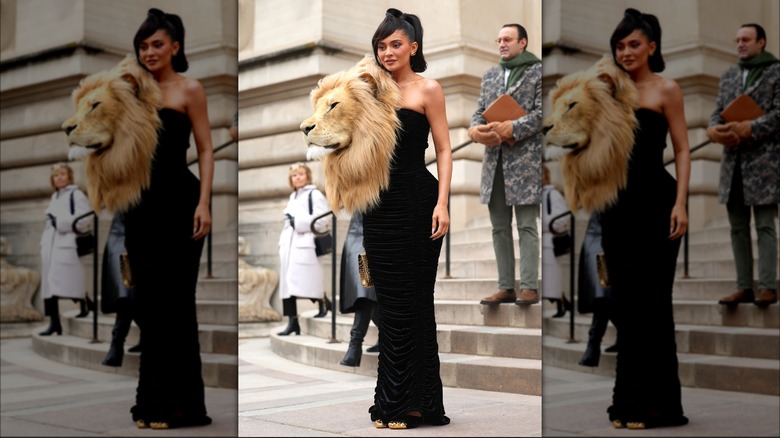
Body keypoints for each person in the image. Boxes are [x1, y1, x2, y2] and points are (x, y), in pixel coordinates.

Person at [122, 8, 215, 429]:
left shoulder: (190, 89)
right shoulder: (132, 91)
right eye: (142, 46)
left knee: (177, 304)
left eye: (156, 43)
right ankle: (150, 403)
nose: (149, 52)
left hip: (181, 201)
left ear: (175, 46)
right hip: (140, 206)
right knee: (147, 303)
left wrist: (205, 203)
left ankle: (181, 407)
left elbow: (207, 149)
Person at [600, 8, 691, 429]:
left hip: (658, 202)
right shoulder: (611, 91)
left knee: (654, 304)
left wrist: (682, 203)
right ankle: (628, 404)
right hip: (617, 207)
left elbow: (684, 149)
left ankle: (659, 407)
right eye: (620, 46)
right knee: (624, 304)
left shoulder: (667, 90)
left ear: (652, 46)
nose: (626, 51)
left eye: (633, 43)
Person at [362, 8, 452, 429]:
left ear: (413, 47)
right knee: (390, 304)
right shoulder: (371, 92)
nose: (387, 52)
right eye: (381, 46)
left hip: (418, 201)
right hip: (378, 207)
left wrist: (444, 203)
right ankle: (394, 401)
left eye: (395, 43)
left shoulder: (428, 89)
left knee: (416, 302)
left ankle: (416, 404)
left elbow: (446, 149)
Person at [469, 23, 542, 307]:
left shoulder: (539, 72)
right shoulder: (489, 75)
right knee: (499, 227)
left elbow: (542, 113)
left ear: (522, 42)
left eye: (507, 39)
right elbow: (478, 112)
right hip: (494, 162)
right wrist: (475, 130)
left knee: (526, 225)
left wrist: (513, 126)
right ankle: (505, 286)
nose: (501, 44)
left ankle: (528, 287)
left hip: (525, 162)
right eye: (498, 39)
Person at [707, 23, 778, 307]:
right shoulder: (728, 76)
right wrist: (713, 129)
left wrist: (752, 126)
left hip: (765, 164)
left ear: (761, 42)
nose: (740, 44)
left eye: (746, 39)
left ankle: (768, 286)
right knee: (737, 228)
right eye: (737, 39)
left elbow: (779, 114)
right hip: (732, 164)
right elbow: (716, 112)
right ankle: (744, 287)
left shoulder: (777, 72)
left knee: (764, 226)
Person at [276, 162, 332, 336]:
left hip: (306, 245)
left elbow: (323, 218)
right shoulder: (293, 197)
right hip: (289, 246)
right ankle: (293, 322)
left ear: (307, 175)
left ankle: (324, 301)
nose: (297, 177)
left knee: (306, 282)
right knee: (287, 286)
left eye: (301, 174)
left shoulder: (314, 194)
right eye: (294, 175)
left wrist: (298, 223)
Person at [38, 163, 93, 336]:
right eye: (56, 175)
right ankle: (54, 323)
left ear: (69, 176)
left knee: (67, 282)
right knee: (50, 286)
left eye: (62, 174)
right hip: (50, 246)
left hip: (67, 245)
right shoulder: (55, 196)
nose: (59, 177)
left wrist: (61, 223)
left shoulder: (75, 194)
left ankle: (87, 304)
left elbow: (86, 217)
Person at [100, 211, 142, 367]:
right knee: (126, 292)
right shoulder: (122, 189)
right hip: (122, 243)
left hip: (142, 237)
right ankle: (116, 344)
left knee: (131, 294)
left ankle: (118, 344)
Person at [339, 211, 381, 367]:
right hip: (358, 234)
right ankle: (355, 344)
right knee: (365, 288)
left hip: (381, 228)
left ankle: (356, 344)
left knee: (368, 290)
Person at [576, 211, 617, 367]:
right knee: (602, 291)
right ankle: (593, 344)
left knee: (607, 293)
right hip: (596, 233)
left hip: (620, 228)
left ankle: (594, 344)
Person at [540, 165, 570, 318]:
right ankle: (563, 303)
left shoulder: (553, 194)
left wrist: (549, 224)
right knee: (550, 278)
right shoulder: (542, 195)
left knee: (554, 277)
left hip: (552, 240)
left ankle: (562, 305)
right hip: (545, 240)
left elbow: (563, 215)